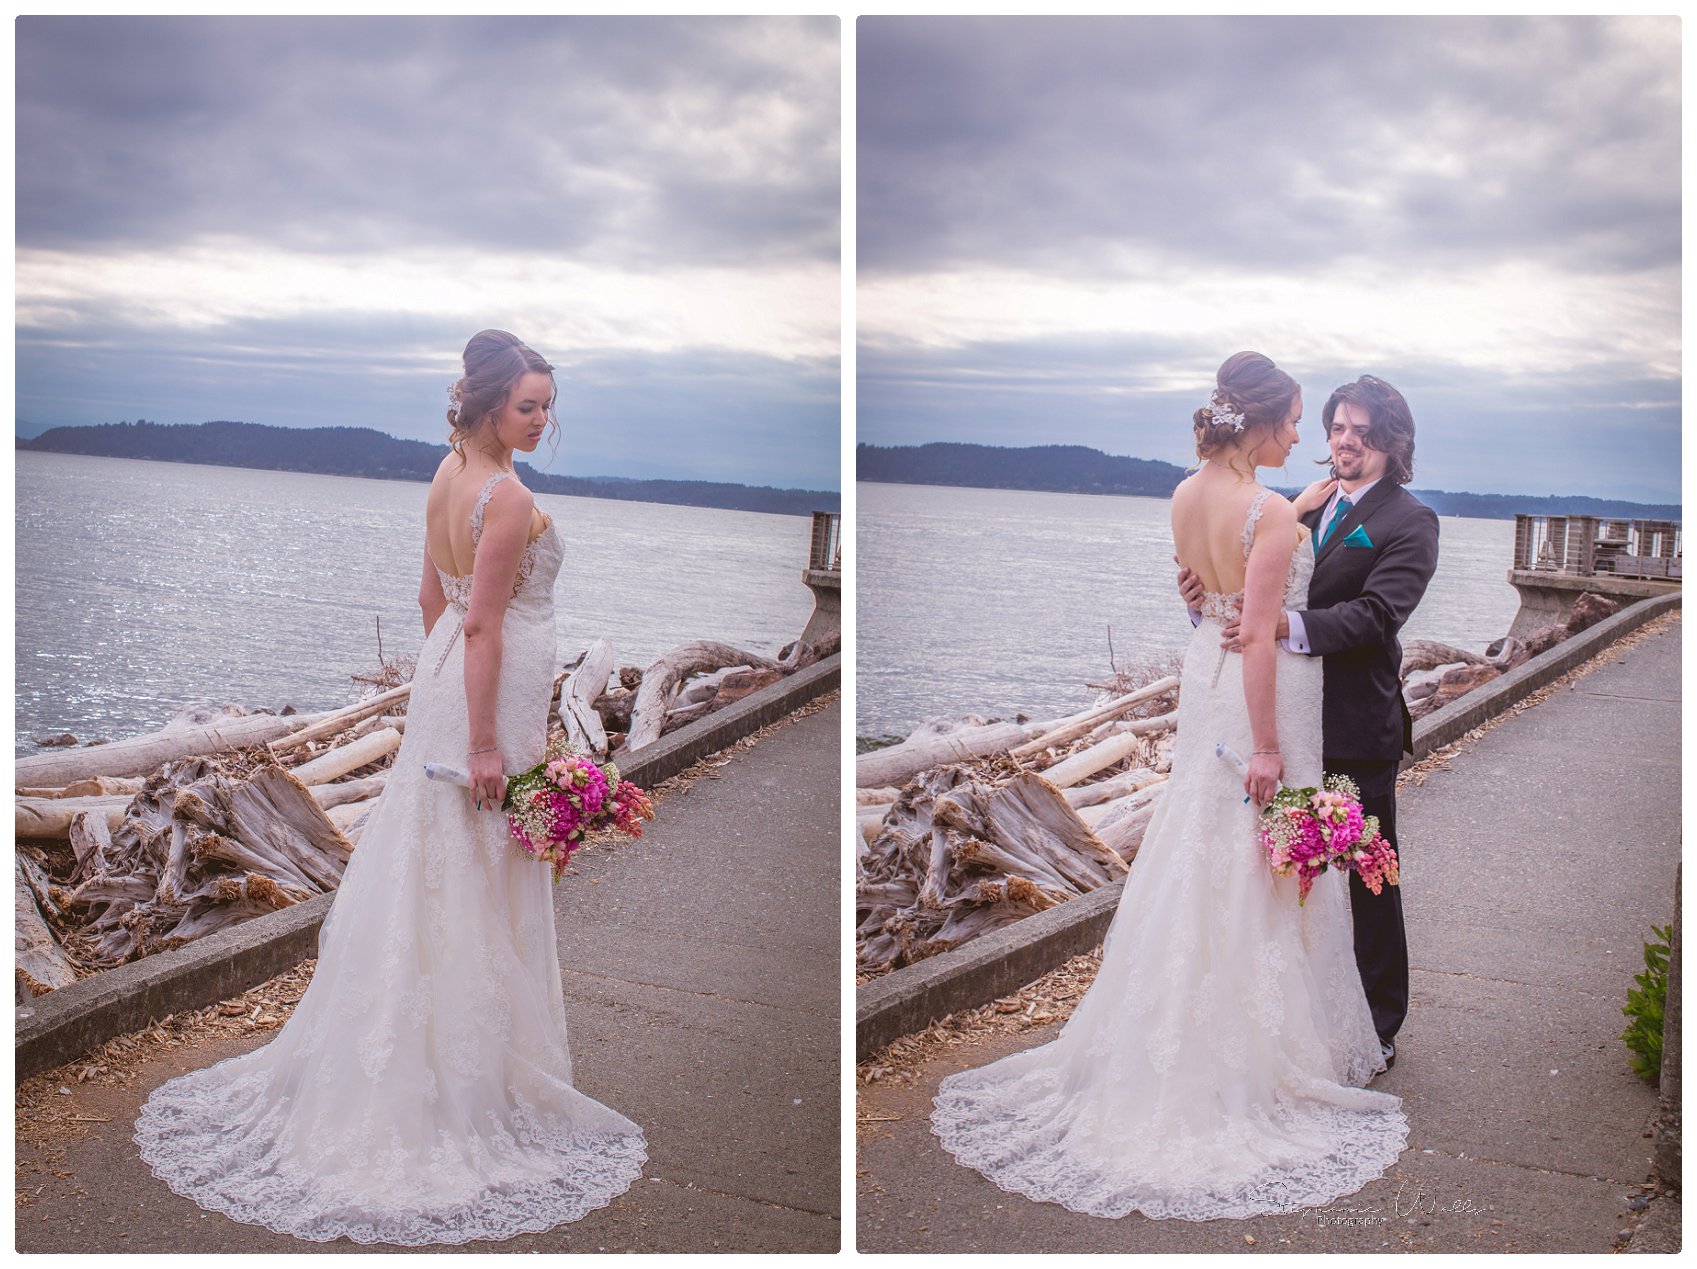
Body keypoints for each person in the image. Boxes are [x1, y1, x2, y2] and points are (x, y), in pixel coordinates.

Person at [135, 330, 647, 1245]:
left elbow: (433, 606)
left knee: (436, 862)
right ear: (489, 404)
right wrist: (484, 742)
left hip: (446, 677)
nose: (542, 419)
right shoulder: (506, 494)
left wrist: (439, 703)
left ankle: (447, 1053)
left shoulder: (450, 473)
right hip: (485, 692)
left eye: (546, 405)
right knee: (475, 860)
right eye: (528, 404)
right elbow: (485, 626)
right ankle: (454, 1079)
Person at [931, 351, 1407, 1221]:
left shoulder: (1189, 495)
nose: (1305, 436)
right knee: (1251, 858)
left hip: (1203, 682)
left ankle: (1194, 1026)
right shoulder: (1266, 510)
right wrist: (1267, 747)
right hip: (1258, 700)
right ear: (1261, 423)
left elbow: (1209, 601)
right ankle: (1247, 1049)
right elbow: (1258, 637)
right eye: (1297, 420)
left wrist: (1221, 594)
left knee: (1205, 849)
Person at [1179, 373, 1439, 1068]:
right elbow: (1244, 585)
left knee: (1367, 874)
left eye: (1361, 429)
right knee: (1284, 874)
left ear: (1391, 439)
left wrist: (1279, 622)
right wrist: (1206, 598)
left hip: (1355, 727)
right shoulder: (1298, 506)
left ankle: (1379, 1020)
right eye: (1336, 427)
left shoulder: (1410, 521)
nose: (1344, 440)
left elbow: (1377, 614)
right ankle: (1298, 1018)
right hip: (1290, 723)